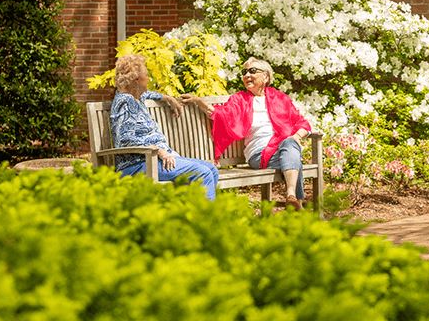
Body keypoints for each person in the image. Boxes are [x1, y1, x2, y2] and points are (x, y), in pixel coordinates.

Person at [181, 57, 311, 210]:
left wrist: (295, 137)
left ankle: (291, 196)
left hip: (283, 149)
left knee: (290, 146)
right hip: (258, 155)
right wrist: (198, 100)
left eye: (252, 71)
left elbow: (303, 124)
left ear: (266, 76)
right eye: (244, 72)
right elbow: (219, 114)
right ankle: (296, 203)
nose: (247, 75)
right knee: (294, 157)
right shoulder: (240, 100)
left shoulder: (280, 98)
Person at [110, 54, 219, 200]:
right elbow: (124, 139)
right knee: (202, 173)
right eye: (146, 75)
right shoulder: (125, 102)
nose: (148, 79)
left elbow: (148, 94)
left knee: (211, 169)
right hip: (137, 165)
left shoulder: (136, 97)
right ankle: (204, 221)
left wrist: (167, 98)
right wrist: (159, 150)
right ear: (137, 80)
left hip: (151, 161)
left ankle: (191, 214)